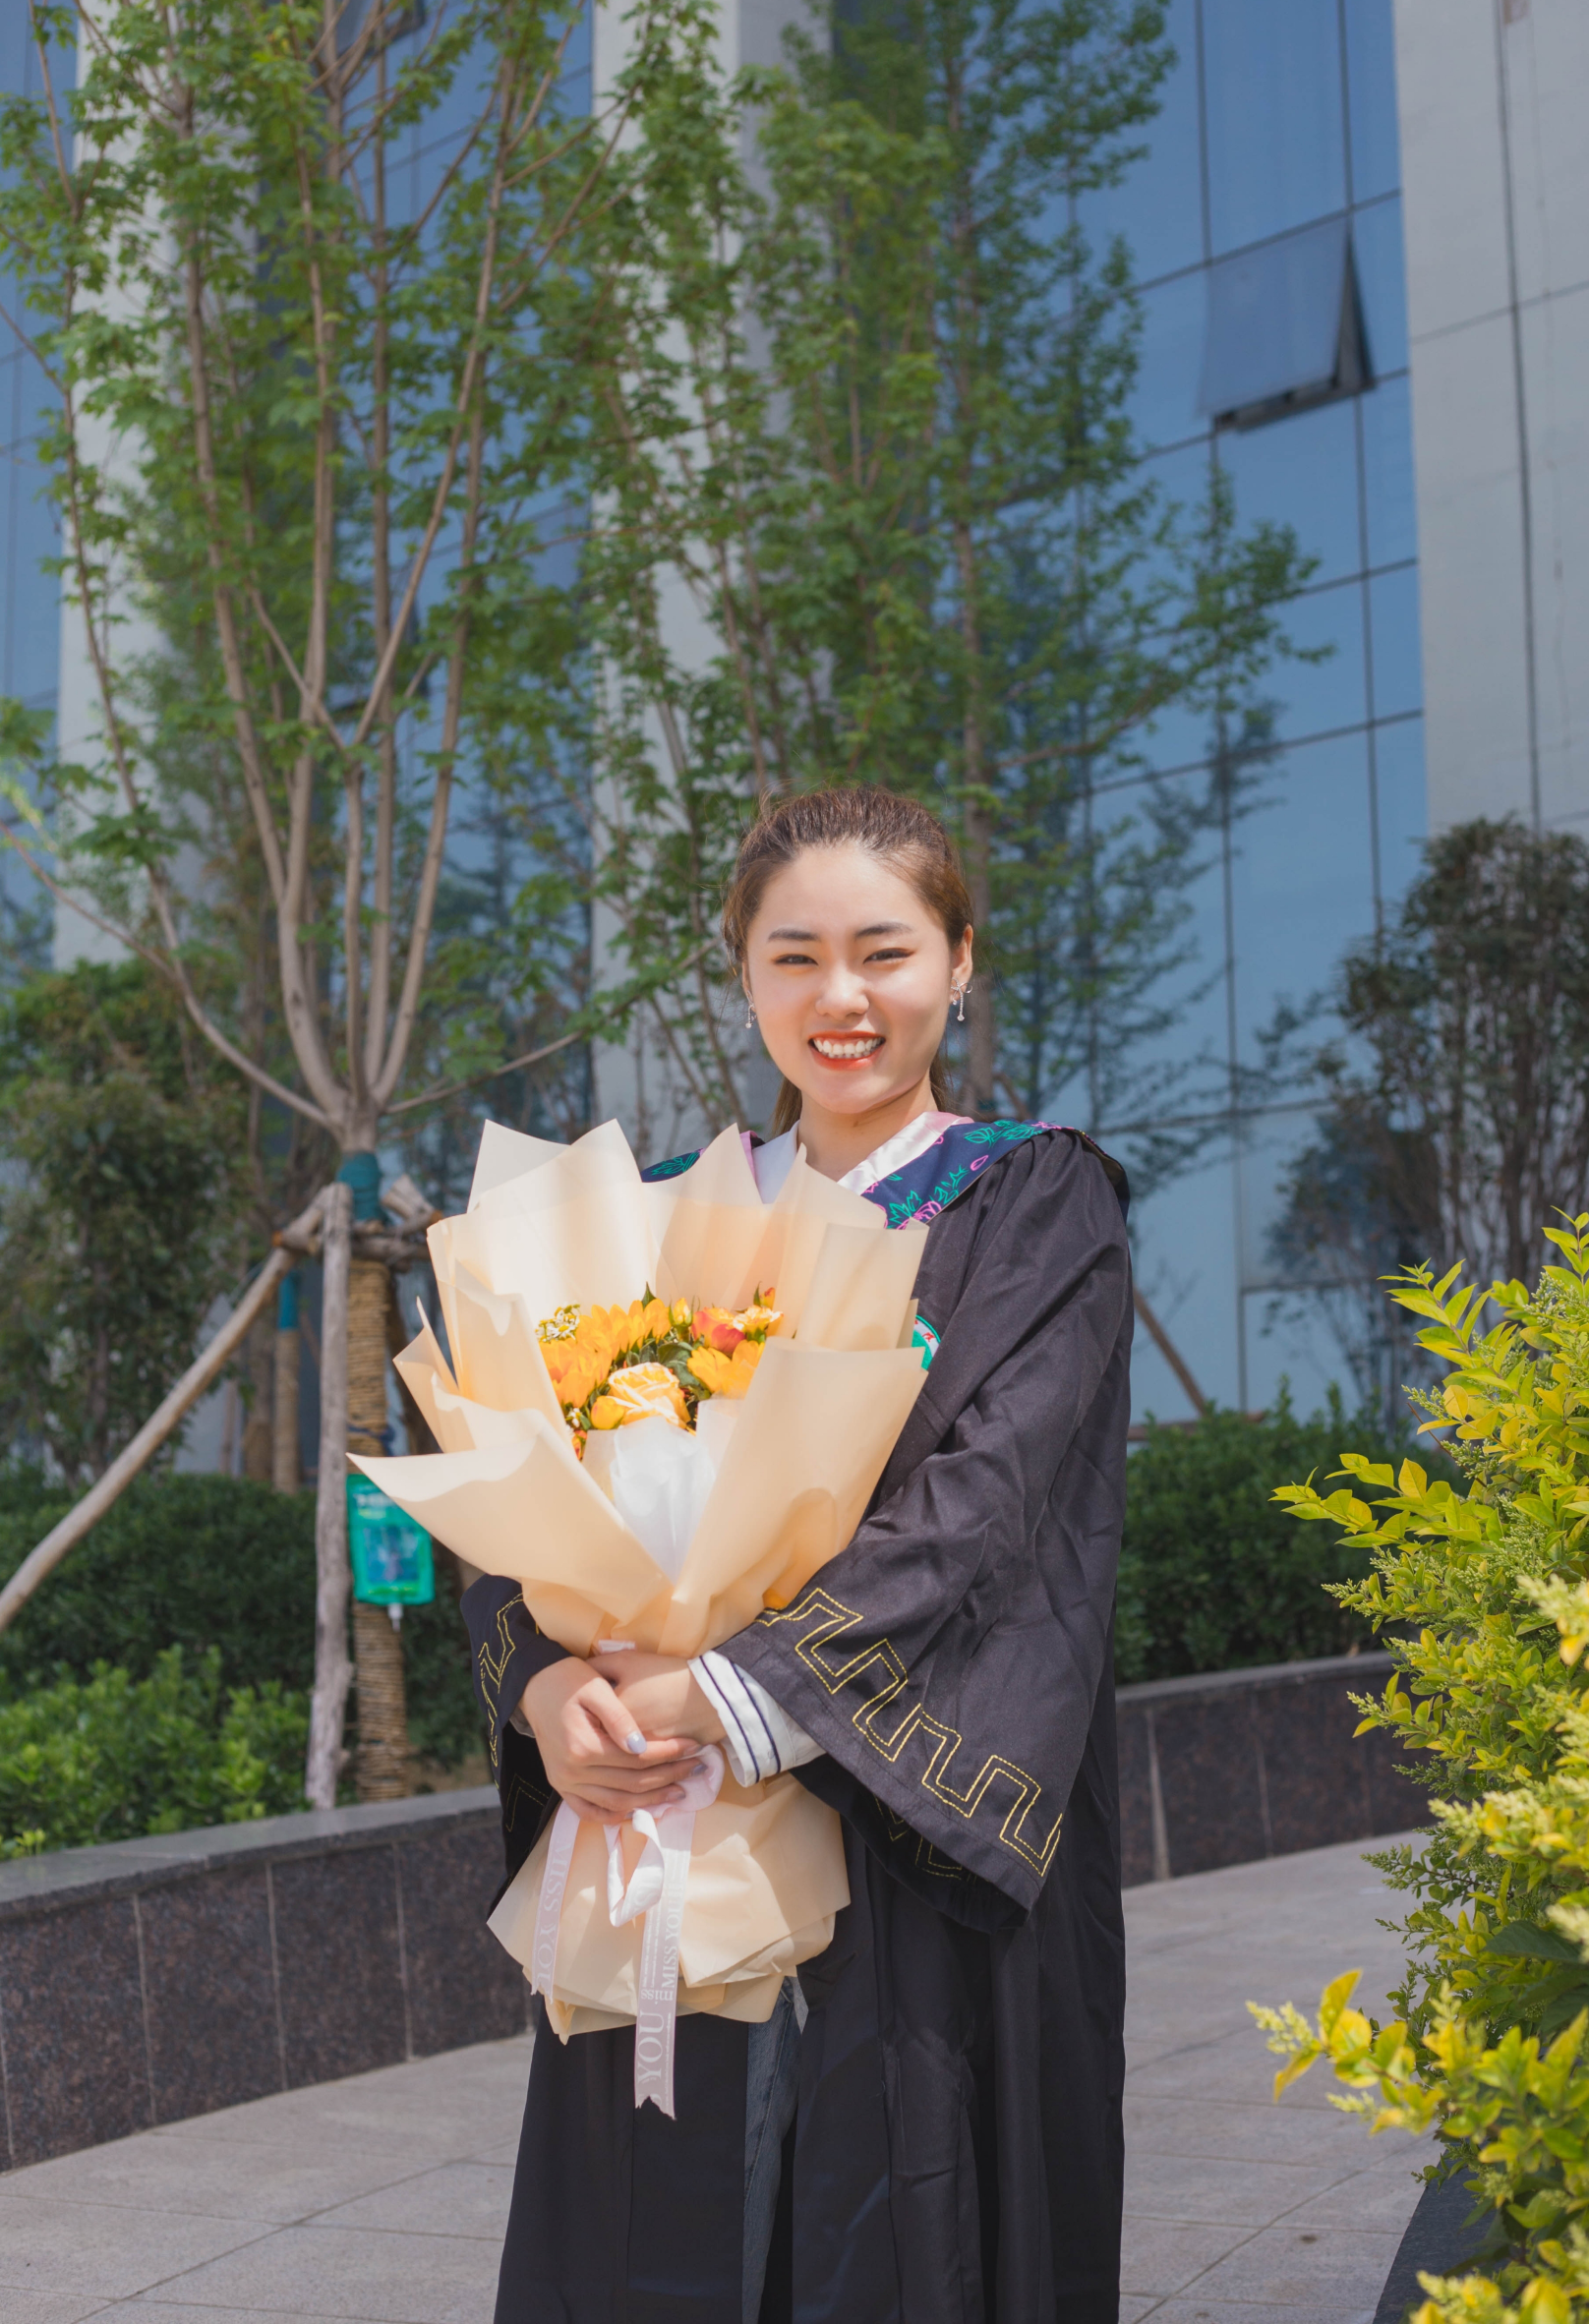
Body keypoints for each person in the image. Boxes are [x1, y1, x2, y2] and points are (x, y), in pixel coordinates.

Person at [464, 784, 1133, 2324]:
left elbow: (992, 1504)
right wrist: (552, 1692)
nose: (843, 998)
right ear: (747, 976)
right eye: (796, 957)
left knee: (889, 2235)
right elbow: (517, 1495)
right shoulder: (653, 1227)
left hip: (900, 1838)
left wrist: (734, 1692)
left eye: (885, 953)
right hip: (662, 1827)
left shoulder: (1033, 1202)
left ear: (959, 961)